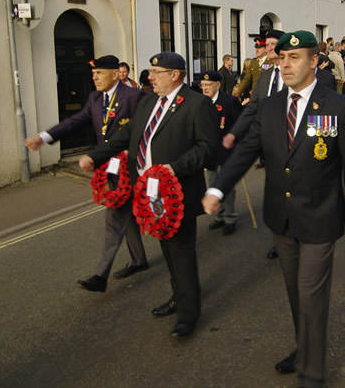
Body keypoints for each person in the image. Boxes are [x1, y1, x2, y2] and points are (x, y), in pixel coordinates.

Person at [202, 30, 345, 388]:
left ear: (314, 62)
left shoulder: (338, 107)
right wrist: (218, 187)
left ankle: (311, 373)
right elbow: (246, 151)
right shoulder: (271, 105)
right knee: (295, 291)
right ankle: (304, 347)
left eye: (295, 58)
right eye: (282, 59)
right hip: (281, 216)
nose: (286, 65)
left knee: (311, 293)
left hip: (321, 216)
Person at [79, 51, 218, 338]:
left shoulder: (196, 104)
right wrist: (96, 156)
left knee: (181, 251)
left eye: (156, 72)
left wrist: (174, 168)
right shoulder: (148, 101)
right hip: (149, 191)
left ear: (175, 75)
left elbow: (207, 148)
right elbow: (127, 135)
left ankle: (188, 314)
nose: (150, 77)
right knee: (167, 248)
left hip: (176, 190)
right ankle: (178, 296)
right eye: (151, 72)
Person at [25, 55, 149, 293]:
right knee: (124, 213)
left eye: (99, 73)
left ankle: (100, 276)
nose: (94, 77)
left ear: (115, 73)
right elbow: (74, 122)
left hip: (133, 167)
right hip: (109, 167)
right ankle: (138, 260)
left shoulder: (134, 96)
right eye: (93, 74)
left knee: (117, 219)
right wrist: (43, 137)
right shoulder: (94, 98)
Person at [222, 29, 286, 259]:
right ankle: (281, 240)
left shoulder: (294, 73)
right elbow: (253, 107)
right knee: (277, 194)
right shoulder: (267, 75)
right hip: (269, 143)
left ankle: (297, 235)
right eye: (266, 44)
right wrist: (234, 133)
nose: (268, 48)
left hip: (294, 144)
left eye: (272, 44)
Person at [199, 71, 243, 234]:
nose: (205, 88)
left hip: (226, 151)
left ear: (217, 85)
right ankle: (219, 216)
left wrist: (236, 145)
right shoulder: (201, 103)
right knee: (212, 184)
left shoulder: (229, 101)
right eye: (202, 85)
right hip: (209, 153)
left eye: (208, 85)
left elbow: (239, 125)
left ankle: (230, 218)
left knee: (227, 186)